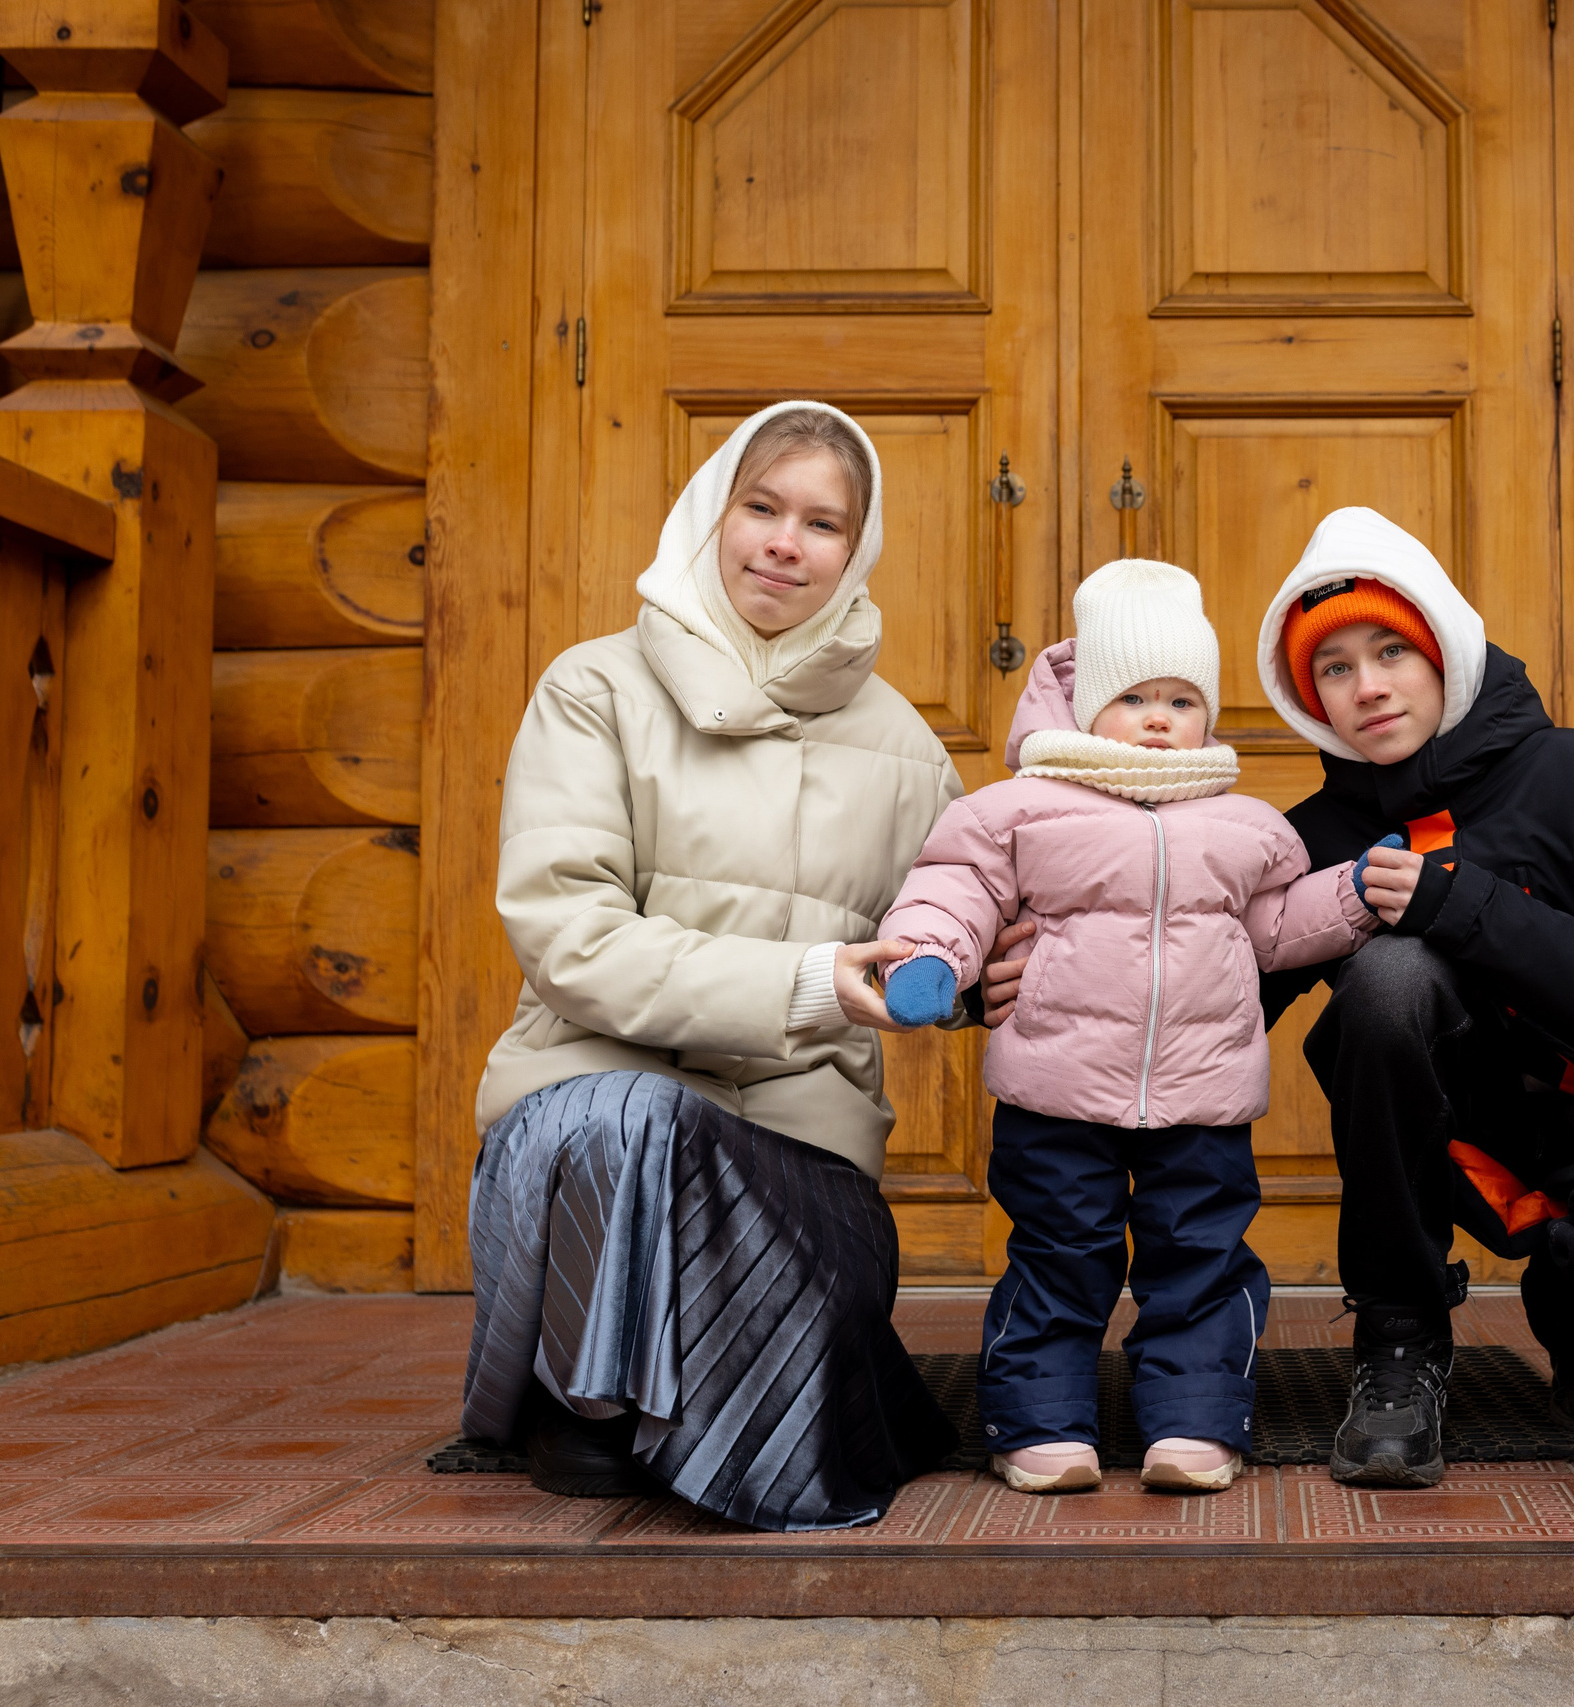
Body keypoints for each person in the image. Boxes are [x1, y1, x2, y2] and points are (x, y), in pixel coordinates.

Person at [459, 402, 971, 1531]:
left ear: (857, 551)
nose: (785, 543)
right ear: (712, 514)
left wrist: (990, 968)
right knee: (630, 1118)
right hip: (590, 1134)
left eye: (823, 523)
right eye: (761, 507)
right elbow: (572, 937)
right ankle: (587, 1403)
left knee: (753, 1206)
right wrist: (806, 984)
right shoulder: (593, 690)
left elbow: (958, 921)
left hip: (796, 1154)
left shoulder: (908, 750)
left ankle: (721, 1406)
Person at [1255, 505, 1574, 1489]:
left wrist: (1465, 904)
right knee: (1390, 975)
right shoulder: (1311, 837)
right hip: (1453, 1137)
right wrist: (1030, 982)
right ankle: (1399, 1341)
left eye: (1391, 650)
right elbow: (1219, 993)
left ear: (1444, 649)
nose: (1367, 686)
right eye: (1334, 668)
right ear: (1311, 699)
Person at [876, 559, 1378, 1494]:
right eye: (1134, 697)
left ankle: (1195, 1420)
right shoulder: (1018, 808)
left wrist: (1351, 895)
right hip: (1057, 1089)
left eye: (1182, 700)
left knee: (1201, 1256)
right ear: (1084, 706)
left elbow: (1274, 928)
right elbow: (955, 887)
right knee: (1059, 1252)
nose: (1158, 719)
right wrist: (929, 957)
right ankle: (1038, 1422)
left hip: (1203, 1096)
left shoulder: (1243, 825)